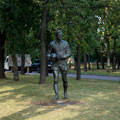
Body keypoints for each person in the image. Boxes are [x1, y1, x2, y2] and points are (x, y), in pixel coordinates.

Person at [47, 30, 71, 100]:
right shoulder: (52, 44)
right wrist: (50, 56)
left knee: (65, 80)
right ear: (56, 36)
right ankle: (56, 95)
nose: (60, 36)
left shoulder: (66, 43)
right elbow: (48, 53)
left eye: (61, 35)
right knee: (55, 80)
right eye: (59, 35)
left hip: (63, 64)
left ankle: (65, 94)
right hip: (55, 64)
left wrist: (63, 56)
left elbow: (69, 53)